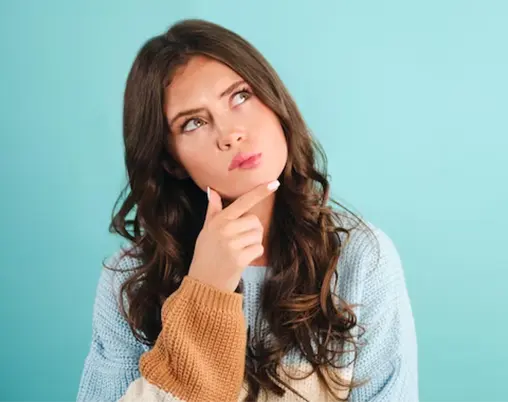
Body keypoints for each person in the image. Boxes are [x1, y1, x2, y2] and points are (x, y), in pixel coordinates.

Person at [76, 18, 417, 402]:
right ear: (170, 161)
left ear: (273, 98)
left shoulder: (360, 259)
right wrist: (206, 292)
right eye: (194, 123)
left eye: (240, 96)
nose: (230, 134)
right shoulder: (131, 280)